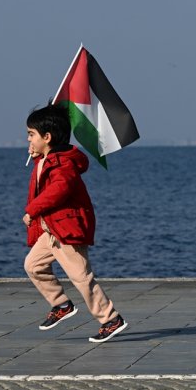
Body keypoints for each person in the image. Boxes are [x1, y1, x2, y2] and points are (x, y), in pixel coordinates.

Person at [22, 104, 128, 343]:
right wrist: (38, 155)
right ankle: (61, 304)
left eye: (31, 134)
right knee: (33, 265)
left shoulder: (63, 164)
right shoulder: (47, 160)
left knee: (81, 277)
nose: (28, 139)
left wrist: (32, 210)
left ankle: (110, 319)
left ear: (47, 137)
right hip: (51, 229)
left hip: (67, 229)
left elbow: (59, 190)